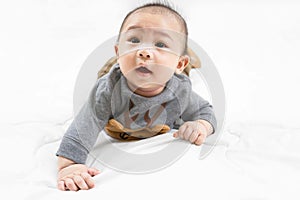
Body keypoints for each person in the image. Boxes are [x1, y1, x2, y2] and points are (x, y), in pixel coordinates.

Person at [56, 2, 217, 191]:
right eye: (134, 40)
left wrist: (201, 126)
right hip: (118, 76)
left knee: (178, 72)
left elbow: (207, 112)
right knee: (108, 72)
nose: (144, 51)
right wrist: (69, 166)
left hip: (171, 74)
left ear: (179, 64)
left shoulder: (180, 90)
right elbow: (82, 129)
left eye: (160, 44)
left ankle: (189, 60)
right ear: (118, 52)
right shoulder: (108, 91)